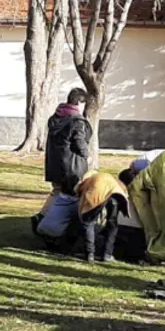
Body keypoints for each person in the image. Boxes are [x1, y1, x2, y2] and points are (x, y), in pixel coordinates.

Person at [35, 88, 92, 222]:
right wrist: (86, 155)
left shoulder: (56, 117)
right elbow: (79, 142)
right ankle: (61, 224)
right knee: (72, 195)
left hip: (55, 163)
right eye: (84, 103)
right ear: (79, 102)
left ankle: (42, 217)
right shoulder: (76, 121)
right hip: (72, 166)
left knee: (56, 192)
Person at [75, 170, 128, 263]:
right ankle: (107, 254)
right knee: (112, 225)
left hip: (99, 193)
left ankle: (89, 254)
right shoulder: (107, 176)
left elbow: (81, 195)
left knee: (88, 222)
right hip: (116, 195)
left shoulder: (87, 182)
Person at [34, 175, 81, 253]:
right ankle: (66, 247)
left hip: (42, 227)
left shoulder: (56, 197)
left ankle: (50, 242)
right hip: (57, 231)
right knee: (79, 223)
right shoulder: (74, 203)